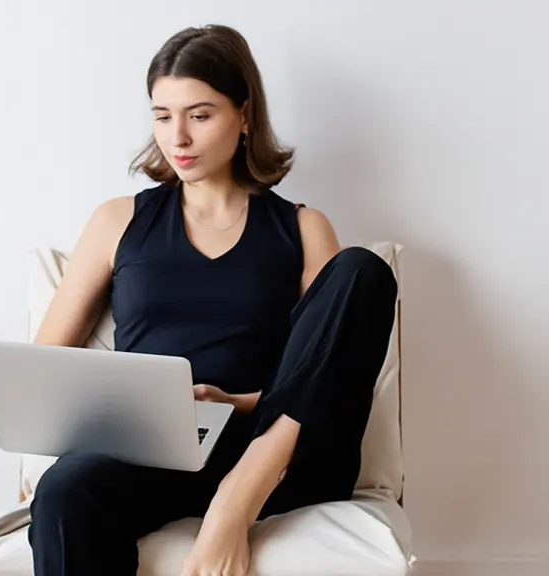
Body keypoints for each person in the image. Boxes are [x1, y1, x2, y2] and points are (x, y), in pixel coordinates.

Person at [26, 24, 399, 576]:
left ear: (244, 115)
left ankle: (236, 500)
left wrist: (240, 403)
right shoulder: (117, 221)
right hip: (157, 450)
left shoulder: (302, 228)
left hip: (279, 450)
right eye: (161, 115)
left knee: (362, 271)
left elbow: (330, 377)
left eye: (199, 115)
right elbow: (44, 375)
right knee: (66, 488)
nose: (177, 137)